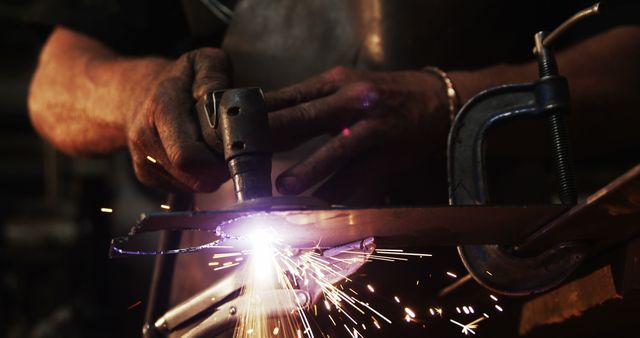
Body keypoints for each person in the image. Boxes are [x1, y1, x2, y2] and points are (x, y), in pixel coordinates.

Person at [27, 0, 640, 320]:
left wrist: (449, 102)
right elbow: (56, 80)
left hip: (506, 282)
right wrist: (138, 92)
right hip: (219, 300)